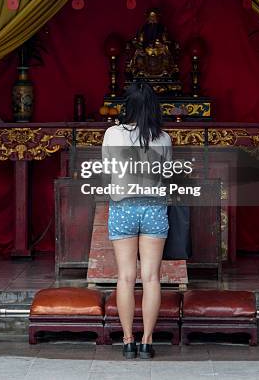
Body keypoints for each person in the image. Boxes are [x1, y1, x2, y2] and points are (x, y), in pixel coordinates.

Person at [102, 81, 172, 359]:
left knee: (126, 277)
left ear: (127, 106)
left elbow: (106, 174)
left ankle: (128, 340)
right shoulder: (163, 138)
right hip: (154, 208)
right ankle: (147, 340)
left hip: (123, 206)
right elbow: (167, 177)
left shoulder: (112, 134)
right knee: (152, 278)